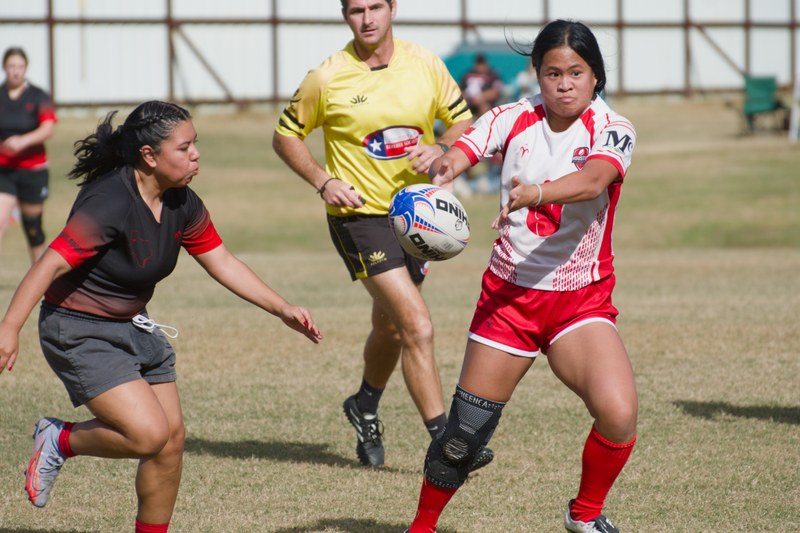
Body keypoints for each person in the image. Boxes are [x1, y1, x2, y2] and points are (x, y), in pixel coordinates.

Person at [0, 101, 322, 533]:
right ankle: (59, 438)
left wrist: (281, 307)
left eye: (196, 145)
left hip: (134, 323)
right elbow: (50, 263)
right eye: (184, 147)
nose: (196, 155)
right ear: (149, 156)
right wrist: (9, 327)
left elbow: (221, 260)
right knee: (148, 434)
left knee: (169, 443)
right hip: (78, 327)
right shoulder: (110, 200)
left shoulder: (181, 202)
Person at [406, 20, 638, 533]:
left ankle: (584, 516)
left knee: (618, 414)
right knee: (464, 437)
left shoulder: (613, 127)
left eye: (576, 72)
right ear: (537, 75)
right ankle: (420, 527)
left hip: (580, 303)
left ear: (595, 75)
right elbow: (466, 149)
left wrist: (536, 192)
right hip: (508, 302)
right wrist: (444, 166)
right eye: (552, 72)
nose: (564, 83)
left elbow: (594, 180)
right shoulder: (511, 116)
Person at [272, 0, 494, 471]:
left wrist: (441, 146)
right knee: (418, 324)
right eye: (356, 10)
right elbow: (286, 135)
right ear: (344, 15)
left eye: (376, 6)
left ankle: (364, 405)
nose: (367, 18)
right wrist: (323, 180)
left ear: (394, 8)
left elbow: (462, 121)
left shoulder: (425, 63)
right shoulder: (327, 77)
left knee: (391, 328)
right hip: (358, 217)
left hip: (415, 219)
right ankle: (450, 441)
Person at [0, 47, 57, 263]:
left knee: (33, 228)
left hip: (32, 170)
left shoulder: (37, 96)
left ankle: (40, 278)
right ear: (5, 67)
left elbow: (48, 128)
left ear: (25, 68)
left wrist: (22, 141)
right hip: (4, 170)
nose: (15, 71)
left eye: (20, 67)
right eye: (11, 66)